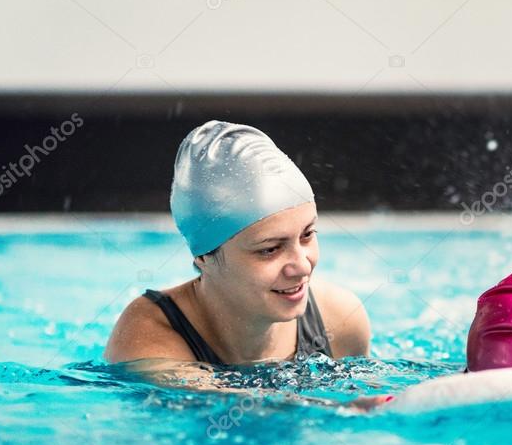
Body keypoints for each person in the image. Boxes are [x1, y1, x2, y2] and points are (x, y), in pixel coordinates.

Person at [104, 120, 371, 374]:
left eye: (307, 235)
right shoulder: (148, 337)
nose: (302, 265)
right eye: (269, 249)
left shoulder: (339, 319)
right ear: (204, 257)